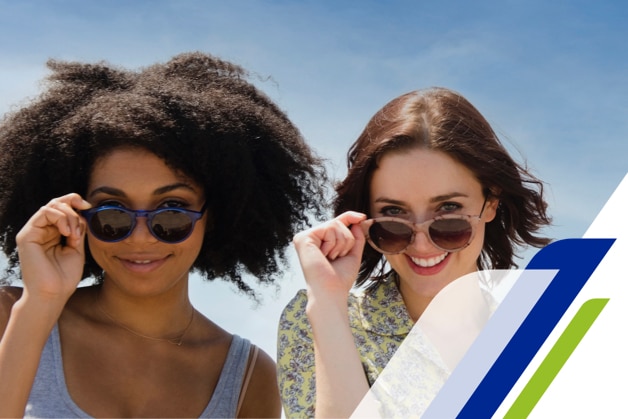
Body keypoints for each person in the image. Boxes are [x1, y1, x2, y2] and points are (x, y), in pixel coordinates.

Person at [0, 52, 327, 418]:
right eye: (112, 214)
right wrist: (40, 305)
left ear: (214, 216)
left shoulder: (248, 377)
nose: (140, 237)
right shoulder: (10, 316)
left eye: (171, 213)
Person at [277, 87, 551, 418]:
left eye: (449, 211)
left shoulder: (544, 327)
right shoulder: (321, 322)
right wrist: (327, 303)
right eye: (394, 215)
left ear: (490, 203)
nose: (421, 245)